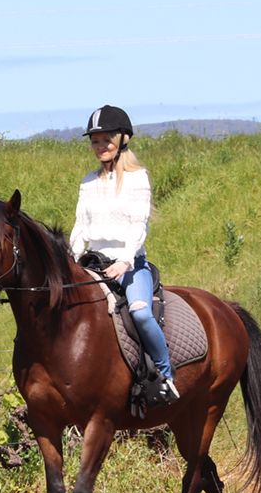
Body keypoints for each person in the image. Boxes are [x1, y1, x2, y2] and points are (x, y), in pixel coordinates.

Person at [69, 105, 180, 404]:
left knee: (141, 313)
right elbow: (81, 226)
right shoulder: (87, 182)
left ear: (122, 139)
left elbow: (138, 224)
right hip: (93, 264)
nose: (99, 146)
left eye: (105, 139)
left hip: (129, 264)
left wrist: (125, 261)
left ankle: (165, 375)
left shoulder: (137, 178)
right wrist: (73, 256)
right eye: (94, 140)